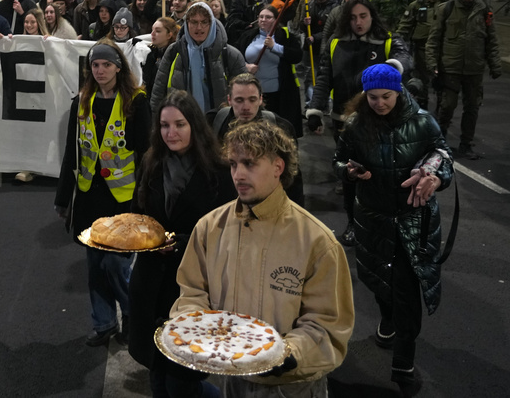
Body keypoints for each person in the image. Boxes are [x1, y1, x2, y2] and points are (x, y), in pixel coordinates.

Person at [170, 120, 354, 398]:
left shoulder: (317, 241)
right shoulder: (209, 227)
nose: (238, 174)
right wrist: (189, 326)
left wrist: (286, 353)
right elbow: (193, 291)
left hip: (291, 386)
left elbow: (327, 323)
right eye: (233, 164)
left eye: (250, 163)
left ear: (278, 167)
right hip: (232, 380)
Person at [333, 64, 453, 396]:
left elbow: (444, 155)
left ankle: (403, 365)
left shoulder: (423, 121)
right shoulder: (356, 125)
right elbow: (339, 160)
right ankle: (386, 318)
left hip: (414, 221)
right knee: (377, 280)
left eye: (386, 96)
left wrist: (434, 175)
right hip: (373, 220)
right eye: (372, 97)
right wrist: (351, 172)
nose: (379, 103)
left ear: (398, 92)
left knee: (406, 290)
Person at [128, 91, 236, 394]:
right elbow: (140, 216)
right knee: (157, 373)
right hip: (150, 283)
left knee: (183, 379)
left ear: (195, 126)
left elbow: (225, 235)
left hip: (190, 288)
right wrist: (137, 237)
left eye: (179, 124)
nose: (170, 133)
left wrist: (179, 242)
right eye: (164, 126)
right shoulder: (151, 162)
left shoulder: (219, 172)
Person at [54, 42, 150, 347]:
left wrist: (146, 200)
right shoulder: (81, 101)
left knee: (115, 264)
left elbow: (145, 153)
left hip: (123, 198)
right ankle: (104, 322)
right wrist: (62, 197)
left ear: (119, 67)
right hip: (88, 196)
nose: (100, 71)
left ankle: (135, 316)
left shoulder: (136, 102)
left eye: (106, 65)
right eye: (95, 66)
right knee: (95, 266)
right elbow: (72, 152)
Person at [307, 0, 412, 246]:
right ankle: (354, 224)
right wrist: (315, 110)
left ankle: (384, 225)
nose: (358, 22)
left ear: (372, 16)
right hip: (345, 122)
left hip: (381, 121)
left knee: (382, 177)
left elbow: (405, 57)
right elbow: (325, 78)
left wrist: (393, 67)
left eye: (363, 16)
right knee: (352, 176)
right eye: (353, 17)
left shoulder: (387, 41)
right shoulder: (335, 43)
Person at [426, 0, 501, 159]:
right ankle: (440, 141)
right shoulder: (447, 8)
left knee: (472, 107)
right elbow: (434, 39)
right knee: (447, 105)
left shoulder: (484, 11)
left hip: (474, 69)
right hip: (450, 67)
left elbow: (491, 41)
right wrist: (432, 63)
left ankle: (466, 144)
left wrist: (495, 65)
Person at [208, 73, 303, 206]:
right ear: (229, 100)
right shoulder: (215, 122)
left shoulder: (280, 128)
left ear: (260, 99)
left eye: (252, 100)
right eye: (239, 100)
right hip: (224, 204)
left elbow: (293, 178)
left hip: (266, 205)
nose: (246, 107)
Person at [150, 1, 247, 115]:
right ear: (187, 23)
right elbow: (158, 91)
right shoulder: (174, 51)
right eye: (194, 22)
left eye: (204, 22)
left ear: (212, 24)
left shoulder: (230, 55)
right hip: (182, 120)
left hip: (219, 122)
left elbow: (244, 94)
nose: (199, 27)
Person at [239, 6, 304, 137]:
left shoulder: (285, 36)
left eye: (268, 17)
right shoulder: (248, 35)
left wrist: (275, 47)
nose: (263, 20)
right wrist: (246, 67)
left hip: (279, 94)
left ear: (276, 20)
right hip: (253, 94)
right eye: (261, 17)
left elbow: (297, 56)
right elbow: (236, 57)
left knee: (277, 130)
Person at [396, 0, 445, 109]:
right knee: (421, 80)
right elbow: (405, 25)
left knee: (442, 81)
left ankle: (442, 110)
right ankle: (423, 108)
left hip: (443, 49)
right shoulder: (416, 5)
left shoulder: (448, 5)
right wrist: (397, 42)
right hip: (421, 48)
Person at [141, 17, 178, 95]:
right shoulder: (150, 53)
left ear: (169, 35)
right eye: (152, 30)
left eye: (158, 31)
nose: (152, 34)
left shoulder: (175, 55)